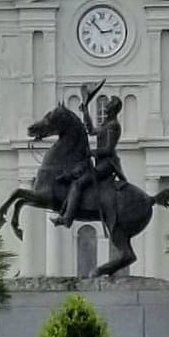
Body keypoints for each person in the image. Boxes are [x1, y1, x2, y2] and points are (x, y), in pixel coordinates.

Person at [55, 87, 126, 230]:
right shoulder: (106, 124)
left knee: (78, 183)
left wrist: (92, 152)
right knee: (73, 174)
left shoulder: (114, 126)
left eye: (108, 106)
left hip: (107, 165)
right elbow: (92, 131)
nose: (105, 108)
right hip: (100, 162)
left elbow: (108, 149)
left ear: (114, 110)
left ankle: (68, 218)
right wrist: (85, 111)